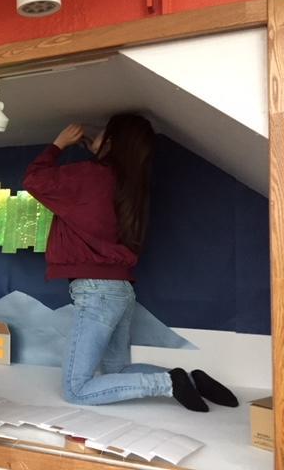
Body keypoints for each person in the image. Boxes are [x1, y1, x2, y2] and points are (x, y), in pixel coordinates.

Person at [24, 114, 238, 412]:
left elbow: (34, 180)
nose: (95, 136)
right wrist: (97, 151)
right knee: (116, 370)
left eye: (102, 133)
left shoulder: (90, 176)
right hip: (121, 291)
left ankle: (168, 383)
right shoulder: (132, 186)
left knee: (76, 389)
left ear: (112, 142)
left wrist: (59, 144)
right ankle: (191, 379)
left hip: (96, 293)